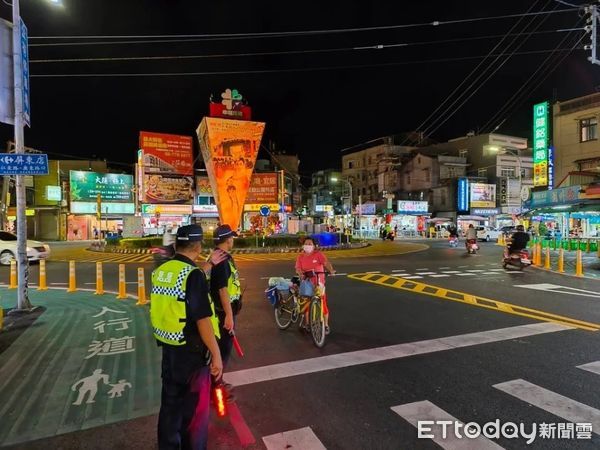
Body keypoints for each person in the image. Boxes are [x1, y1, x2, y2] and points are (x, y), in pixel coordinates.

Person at [151, 224, 227, 450]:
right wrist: (216, 355)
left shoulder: (163, 271)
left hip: (169, 350)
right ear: (198, 246)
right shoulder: (192, 275)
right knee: (195, 415)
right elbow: (203, 320)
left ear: (176, 245)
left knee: (170, 408)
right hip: (191, 356)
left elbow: (184, 284)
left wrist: (208, 264)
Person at [207, 224, 242, 394]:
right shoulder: (221, 261)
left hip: (224, 310)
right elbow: (222, 289)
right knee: (222, 350)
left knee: (222, 348)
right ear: (228, 239)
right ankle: (216, 385)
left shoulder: (220, 256)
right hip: (222, 312)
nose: (232, 240)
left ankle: (215, 382)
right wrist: (228, 315)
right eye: (232, 238)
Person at [295, 237, 336, 334]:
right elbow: (298, 268)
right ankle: (307, 324)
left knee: (322, 304)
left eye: (310, 244)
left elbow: (326, 263)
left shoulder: (318, 254)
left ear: (314, 246)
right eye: (306, 244)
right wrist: (300, 273)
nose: (308, 246)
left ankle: (325, 325)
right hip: (306, 283)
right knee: (306, 305)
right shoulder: (300, 256)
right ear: (303, 245)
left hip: (319, 283)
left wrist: (331, 270)